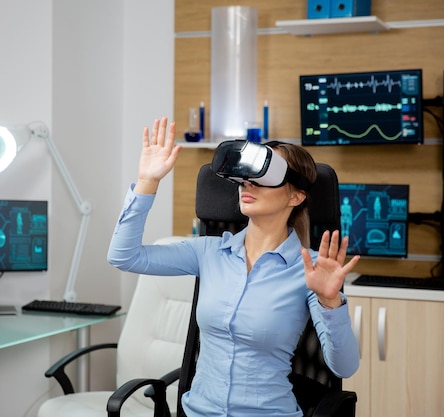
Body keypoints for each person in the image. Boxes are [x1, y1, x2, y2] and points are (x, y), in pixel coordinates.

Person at [107, 117, 360, 417]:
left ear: (296, 195)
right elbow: (124, 256)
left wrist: (330, 301)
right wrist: (148, 182)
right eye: (246, 176)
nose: (247, 184)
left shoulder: (311, 270)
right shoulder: (209, 252)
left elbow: (344, 367)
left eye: (264, 176)